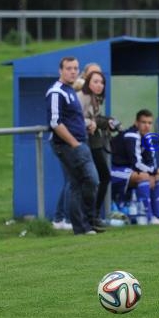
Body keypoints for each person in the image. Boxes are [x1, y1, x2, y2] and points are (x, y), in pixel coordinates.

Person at [45, 57, 100, 235]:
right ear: (60, 70)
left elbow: (73, 119)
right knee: (92, 180)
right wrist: (74, 143)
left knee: (77, 184)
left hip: (79, 141)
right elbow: (55, 122)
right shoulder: (56, 92)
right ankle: (86, 222)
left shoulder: (70, 90)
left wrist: (87, 124)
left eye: (76, 68)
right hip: (69, 145)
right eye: (69, 68)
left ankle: (83, 227)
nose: (73, 71)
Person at [111, 109, 159, 224]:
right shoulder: (132, 135)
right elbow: (137, 163)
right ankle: (147, 216)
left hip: (128, 171)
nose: (147, 126)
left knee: (155, 176)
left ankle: (157, 215)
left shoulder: (146, 138)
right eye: (143, 122)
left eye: (149, 123)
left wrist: (155, 173)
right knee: (145, 176)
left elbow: (150, 161)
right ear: (136, 123)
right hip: (114, 170)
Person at [77, 70, 120, 230]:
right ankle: (88, 217)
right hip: (82, 143)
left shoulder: (96, 99)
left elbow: (95, 118)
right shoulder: (82, 97)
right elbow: (75, 118)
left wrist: (106, 122)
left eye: (101, 82)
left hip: (94, 142)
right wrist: (90, 122)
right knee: (90, 179)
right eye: (95, 81)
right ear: (88, 82)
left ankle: (93, 215)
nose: (99, 85)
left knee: (103, 177)